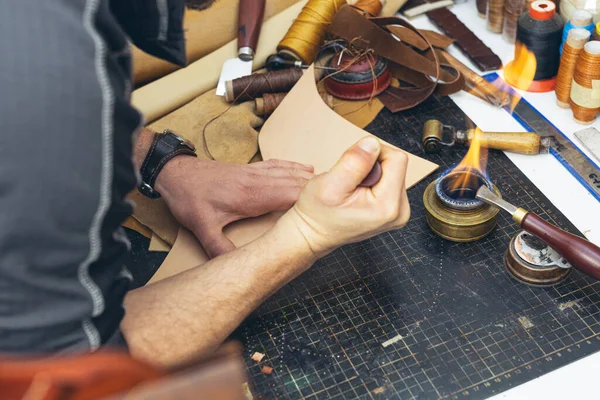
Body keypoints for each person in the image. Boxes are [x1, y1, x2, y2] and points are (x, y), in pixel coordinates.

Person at [0, 0, 410, 367]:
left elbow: (57, 108)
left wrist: (159, 161)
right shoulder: (44, 50)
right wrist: (306, 235)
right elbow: (68, 368)